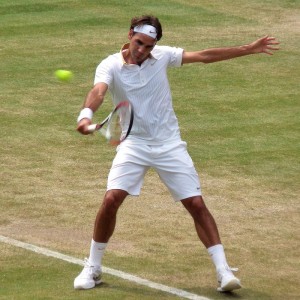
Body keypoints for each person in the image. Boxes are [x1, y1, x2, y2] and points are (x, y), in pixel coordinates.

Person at [74, 15, 279, 292]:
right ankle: (93, 267)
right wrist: (85, 116)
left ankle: (223, 271)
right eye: (139, 43)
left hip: (169, 144)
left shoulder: (164, 56)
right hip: (133, 145)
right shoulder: (110, 65)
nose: (143, 51)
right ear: (130, 35)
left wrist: (247, 49)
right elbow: (98, 92)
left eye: (149, 46)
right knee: (111, 199)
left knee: (195, 204)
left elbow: (205, 56)